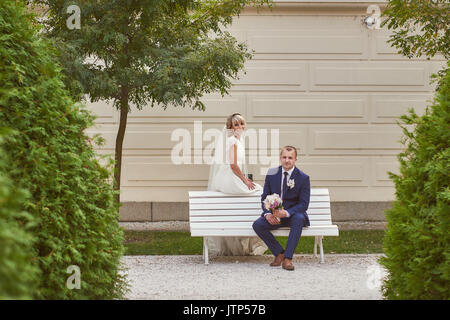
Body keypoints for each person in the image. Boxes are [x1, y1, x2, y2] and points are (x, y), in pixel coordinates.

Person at [207, 113, 267, 256]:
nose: (240, 127)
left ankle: (249, 235)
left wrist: (244, 179)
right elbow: (233, 165)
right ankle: (253, 235)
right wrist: (245, 180)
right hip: (231, 177)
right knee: (259, 191)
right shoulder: (232, 141)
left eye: (242, 123)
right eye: (236, 125)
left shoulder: (238, 140)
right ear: (231, 128)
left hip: (234, 176)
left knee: (257, 191)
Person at [252, 146, 311, 271]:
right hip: (275, 215)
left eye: (290, 158)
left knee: (299, 219)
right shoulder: (272, 174)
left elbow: (303, 204)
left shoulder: (303, 178)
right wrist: (268, 213)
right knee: (257, 225)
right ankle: (279, 253)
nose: (287, 160)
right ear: (280, 158)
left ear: (295, 159)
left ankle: (288, 259)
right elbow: (265, 197)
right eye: (284, 157)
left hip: (292, 215)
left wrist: (287, 213)